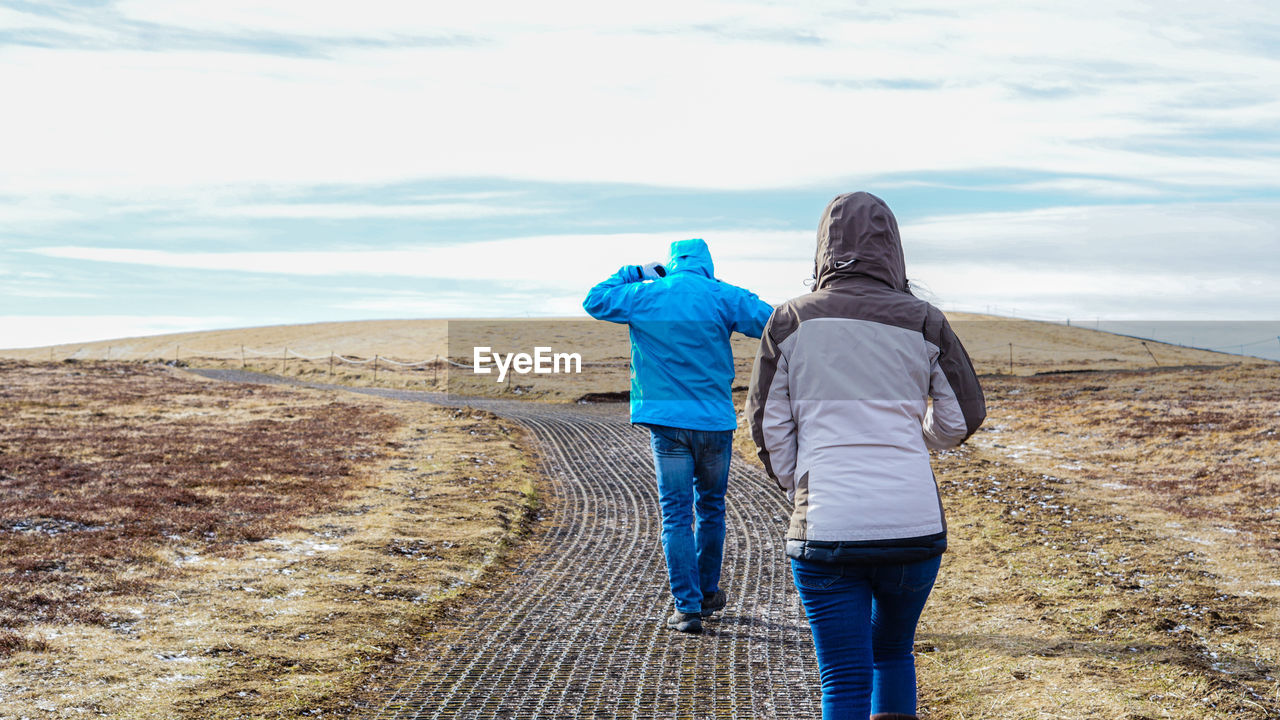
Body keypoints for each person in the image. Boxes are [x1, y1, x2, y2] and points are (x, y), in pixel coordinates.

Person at [745, 192, 985, 719]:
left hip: (827, 524)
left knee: (843, 677)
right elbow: (960, 419)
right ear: (894, 250)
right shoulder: (925, 320)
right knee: (894, 653)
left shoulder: (790, 321)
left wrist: (801, 481)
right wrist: (912, 442)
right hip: (912, 525)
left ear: (822, 251)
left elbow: (767, 425)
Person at [584, 238, 774, 634]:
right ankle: (707, 593)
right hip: (716, 423)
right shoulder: (722, 296)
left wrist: (636, 272)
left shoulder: (643, 294)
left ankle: (686, 609)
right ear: (706, 264)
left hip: (668, 425)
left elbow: (595, 300)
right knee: (711, 508)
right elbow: (770, 322)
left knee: (676, 515)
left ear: (671, 264)